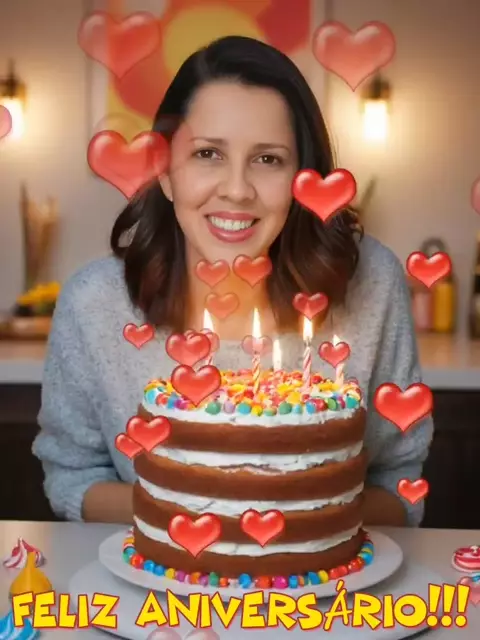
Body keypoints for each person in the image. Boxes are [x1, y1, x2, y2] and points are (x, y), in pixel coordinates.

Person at [33, 35, 433, 527]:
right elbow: (72, 475)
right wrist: (216, 524)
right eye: (208, 154)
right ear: (165, 171)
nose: (238, 190)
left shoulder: (372, 283)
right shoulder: (94, 303)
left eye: (268, 159)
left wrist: (276, 528)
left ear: (302, 180)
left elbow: (398, 483)